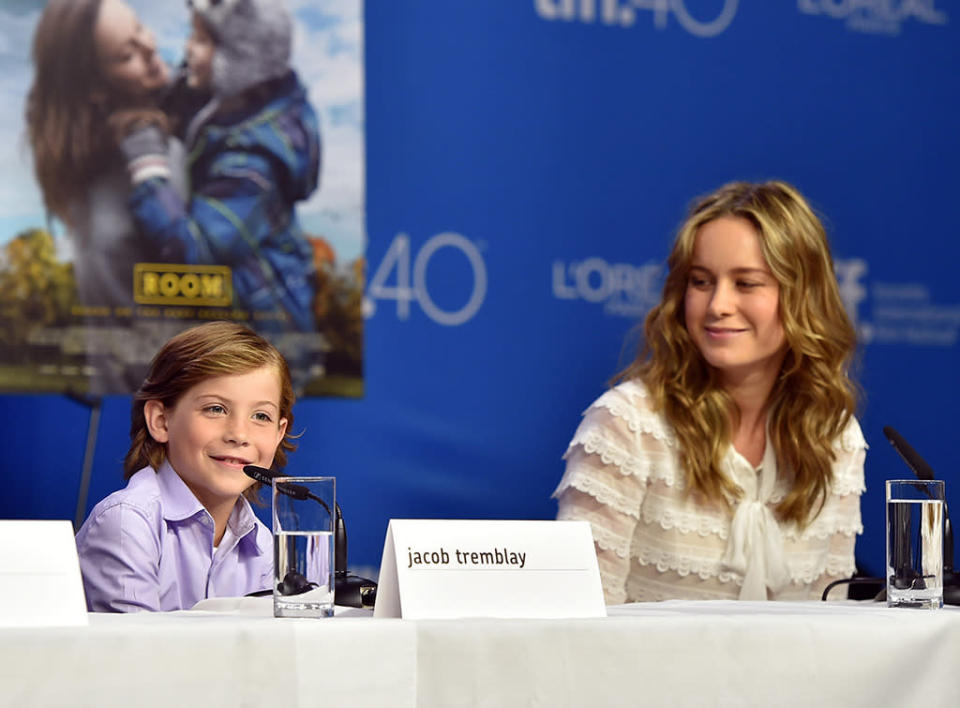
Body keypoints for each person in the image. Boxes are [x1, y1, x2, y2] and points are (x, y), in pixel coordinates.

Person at [553, 181, 866, 603]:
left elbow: (833, 625)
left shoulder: (836, 437)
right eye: (701, 282)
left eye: (746, 283)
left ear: (802, 296)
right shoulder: (626, 426)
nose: (718, 304)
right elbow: (580, 623)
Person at [117, 0, 321, 387]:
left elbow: (191, 250)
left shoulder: (255, 162)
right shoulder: (232, 99)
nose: (188, 48)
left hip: (264, 338)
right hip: (232, 326)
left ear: (240, 60)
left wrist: (147, 166)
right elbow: (177, 97)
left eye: (202, 39)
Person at [75, 321, 296, 612]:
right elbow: (136, 655)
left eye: (260, 416)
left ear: (279, 433)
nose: (239, 435)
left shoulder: (263, 545)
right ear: (161, 421)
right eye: (215, 409)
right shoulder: (127, 524)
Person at [26, 0, 189, 392]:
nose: (150, 47)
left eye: (140, 28)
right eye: (127, 53)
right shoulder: (157, 164)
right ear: (96, 87)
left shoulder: (83, 164)